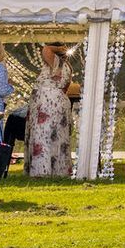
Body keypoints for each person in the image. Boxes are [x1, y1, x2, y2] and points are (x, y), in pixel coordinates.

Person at [26, 43, 75, 177]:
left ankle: (42, 170)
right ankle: (58, 170)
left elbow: (45, 49)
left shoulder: (56, 62)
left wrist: (59, 49)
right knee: (57, 136)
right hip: (58, 101)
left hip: (49, 103)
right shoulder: (66, 67)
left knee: (43, 135)